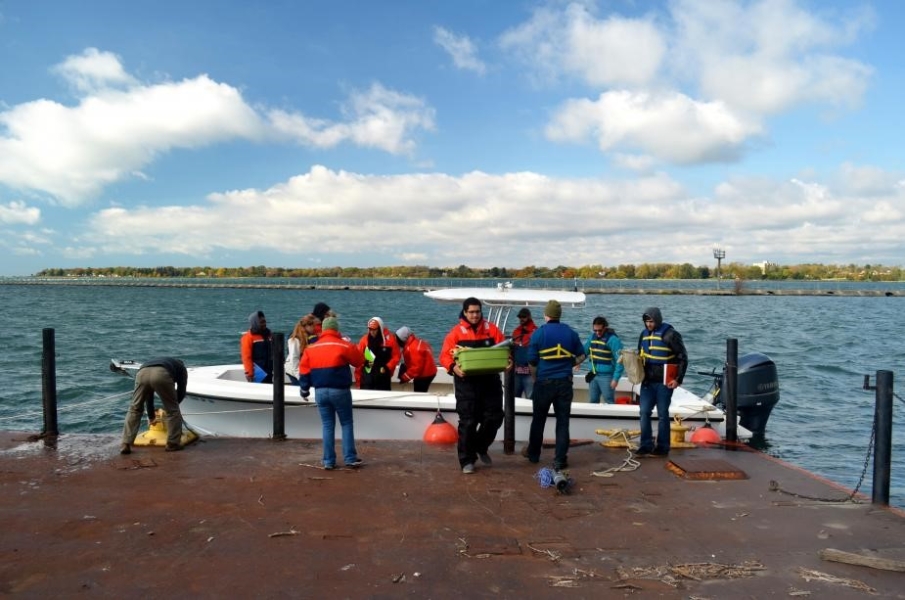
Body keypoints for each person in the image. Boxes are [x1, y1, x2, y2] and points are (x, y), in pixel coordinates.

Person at [440, 297, 507, 474]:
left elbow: (505, 351)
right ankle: (466, 460)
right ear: (464, 312)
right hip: (466, 384)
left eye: (477, 311)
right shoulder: (455, 333)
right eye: (471, 312)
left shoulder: (492, 330)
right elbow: (445, 356)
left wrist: (509, 361)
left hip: (490, 382)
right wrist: (453, 367)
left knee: (495, 417)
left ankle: (480, 446)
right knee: (468, 422)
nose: (475, 315)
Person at [525, 300, 585, 471]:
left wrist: (536, 378)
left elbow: (531, 360)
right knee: (563, 422)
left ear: (546, 315)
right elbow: (582, 355)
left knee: (538, 420)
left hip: (544, 382)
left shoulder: (539, 334)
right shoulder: (571, 333)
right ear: (559, 315)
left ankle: (534, 455)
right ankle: (560, 460)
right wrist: (569, 363)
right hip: (564, 383)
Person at [299, 316, 365, 470]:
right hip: (340, 390)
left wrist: (304, 389)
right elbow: (359, 361)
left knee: (327, 425)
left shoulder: (311, 348)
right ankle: (350, 458)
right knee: (346, 423)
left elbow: (304, 371)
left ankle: (328, 461)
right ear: (336, 329)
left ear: (322, 330)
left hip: (320, 391)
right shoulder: (344, 345)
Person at [636, 307, 688, 458]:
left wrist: (678, 379)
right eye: (646, 322)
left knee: (663, 414)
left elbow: (683, 357)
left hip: (665, 383)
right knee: (644, 412)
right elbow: (640, 354)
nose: (648, 324)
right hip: (647, 382)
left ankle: (663, 447)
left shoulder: (670, 334)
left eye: (651, 321)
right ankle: (645, 445)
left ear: (657, 320)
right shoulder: (643, 335)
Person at [120, 357, 188, 454]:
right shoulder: (181, 368)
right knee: (173, 411)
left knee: (135, 408)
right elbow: (181, 391)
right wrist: (171, 406)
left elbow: (149, 395)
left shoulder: (163, 361)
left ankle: (125, 444)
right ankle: (172, 444)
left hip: (142, 373)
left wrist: (151, 416)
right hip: (162, 373)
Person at [582, 316, 625, 404]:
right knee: (593, 401)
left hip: (607, 377)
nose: (597, 333)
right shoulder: (591, 338)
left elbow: (621, 361)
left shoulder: (613, 340)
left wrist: (615, 379)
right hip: (593, 375)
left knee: (609, 401)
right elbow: (584, 352)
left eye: (600, 330)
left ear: (605, 328)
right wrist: (577, 362)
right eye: (595, 330)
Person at [356, 317, 401, 391]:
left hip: (383, 378)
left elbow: (396, 356)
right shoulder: (364, 340)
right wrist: (358, 381)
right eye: (370, 329)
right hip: (367, 378)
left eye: (374, 329)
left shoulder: (390, 340)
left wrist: (388, 367)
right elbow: (358, 359)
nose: (372, 332)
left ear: (380, 329)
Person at [395, 326, 438, 392]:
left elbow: (416, 368)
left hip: (425, 374)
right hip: (430, 371)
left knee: (419, 391)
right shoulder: (418, 342)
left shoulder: (413, 348)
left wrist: (404, 377)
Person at [510, 307, 537, 399]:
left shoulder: (536, 332)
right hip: (517, 373)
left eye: (524, 317)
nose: (521, 319)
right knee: (513, 399)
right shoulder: (516, 332)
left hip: (530, 373)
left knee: (531, 400)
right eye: (520, 317)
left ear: (529, 317)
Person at [241, 310, 273, 383]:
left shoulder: (269, 334)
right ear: (255, 323)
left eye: (264, 321)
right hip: (258, 373)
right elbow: (246, 357)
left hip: (269, 371)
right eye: (261, 322)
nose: (264, 324)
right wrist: (249, 373)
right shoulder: (248, 337)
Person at [285, 314, 318, 384]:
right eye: (313, 326)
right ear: (307, 326)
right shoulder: (294, 340)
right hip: (293, 370)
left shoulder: (309, 337)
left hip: (302, 368)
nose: (315, 328)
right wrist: (300, 377)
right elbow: (294, 359)